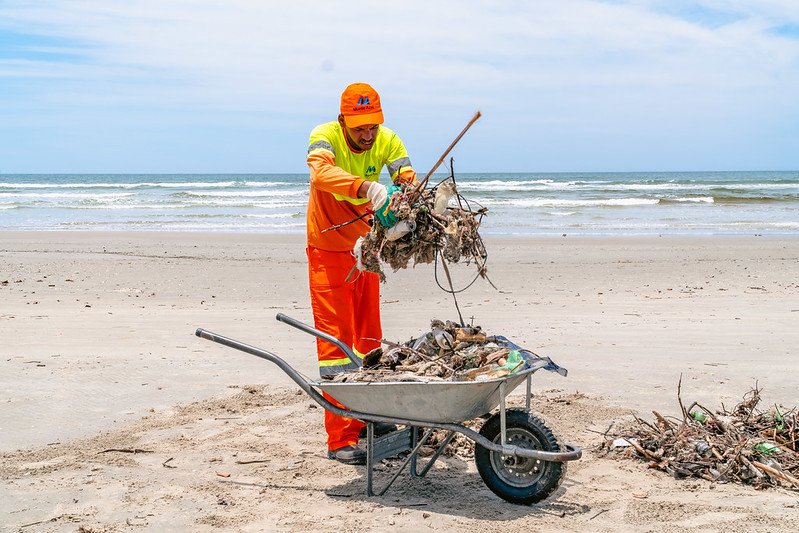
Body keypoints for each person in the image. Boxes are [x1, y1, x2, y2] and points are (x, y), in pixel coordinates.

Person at [305, 83, 417, 464]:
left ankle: (371, 417)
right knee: (335, 346)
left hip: (365, 251)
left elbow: (406, 176)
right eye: (359, 129)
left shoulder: (387, 140)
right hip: (327, 252)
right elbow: (321, 175)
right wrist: (367, 187)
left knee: (368, 337)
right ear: (343, 121)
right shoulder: (325, 137)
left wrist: (405, 193)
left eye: (373, 127)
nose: (368, 136)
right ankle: (341, 438)